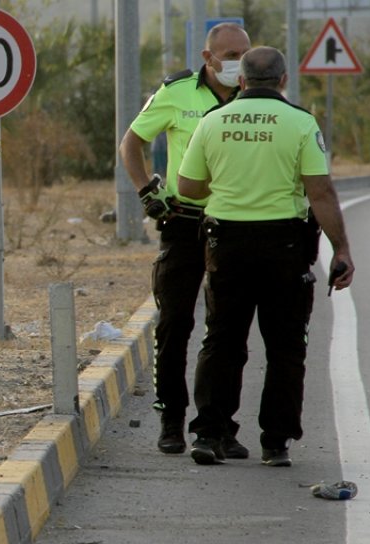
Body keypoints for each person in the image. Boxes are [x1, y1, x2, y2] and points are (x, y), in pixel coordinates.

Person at [176, 46, 355, 467]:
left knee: (221, 340)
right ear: (283, 80)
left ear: (241, 81)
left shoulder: (212, 121)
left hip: (226, 245)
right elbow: (320, 192)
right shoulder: (300, 123)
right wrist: (341, 248)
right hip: (285, 248)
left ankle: (209, 434)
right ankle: (275, 442)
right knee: (286, 347)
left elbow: (187, 186)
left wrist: (225, 185)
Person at [118, 22, 251, 456]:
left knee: (228, 331)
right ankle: (171, 419)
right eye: (229, 56)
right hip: (183, 221)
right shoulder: (176, 93)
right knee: (174, 324)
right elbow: (132, 143)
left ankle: (218, 425)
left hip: (234, 224)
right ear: (207, 57)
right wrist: (146, 194)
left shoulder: (256, 97)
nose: (237, 64)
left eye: (243, 55)